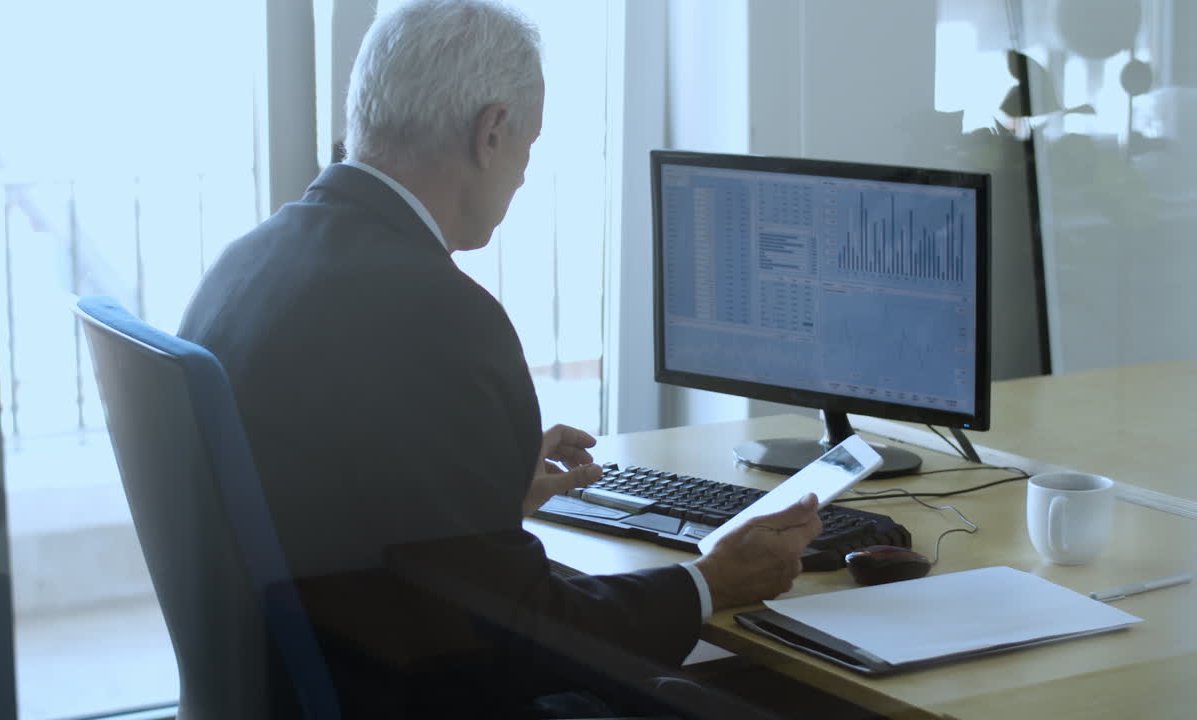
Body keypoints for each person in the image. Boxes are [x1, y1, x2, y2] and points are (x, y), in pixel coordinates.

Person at [178, 0, 821, 716]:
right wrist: (709, 582)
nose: (521, 175)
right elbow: (521, 638)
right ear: (491, 131)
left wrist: (487, 490)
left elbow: (330, 494)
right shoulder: (439, 315)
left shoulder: (247, 264)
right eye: (529, 145)